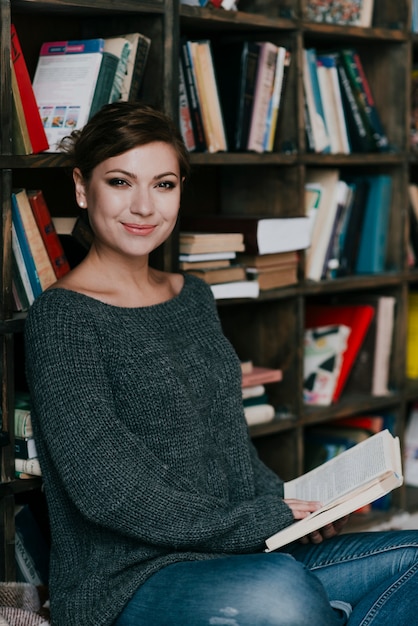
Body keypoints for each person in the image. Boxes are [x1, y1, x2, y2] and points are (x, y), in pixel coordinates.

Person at [24, 101, 418, 626]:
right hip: (130, 579)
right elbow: (110, 493)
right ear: (81, 187)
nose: (143, 206)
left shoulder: (193, 297)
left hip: (243, 552)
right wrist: (253, 521)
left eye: (163, 184)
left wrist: (293, 507)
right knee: (283, 594)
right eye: (121, 182)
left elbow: (226, 446)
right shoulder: (62, 318)